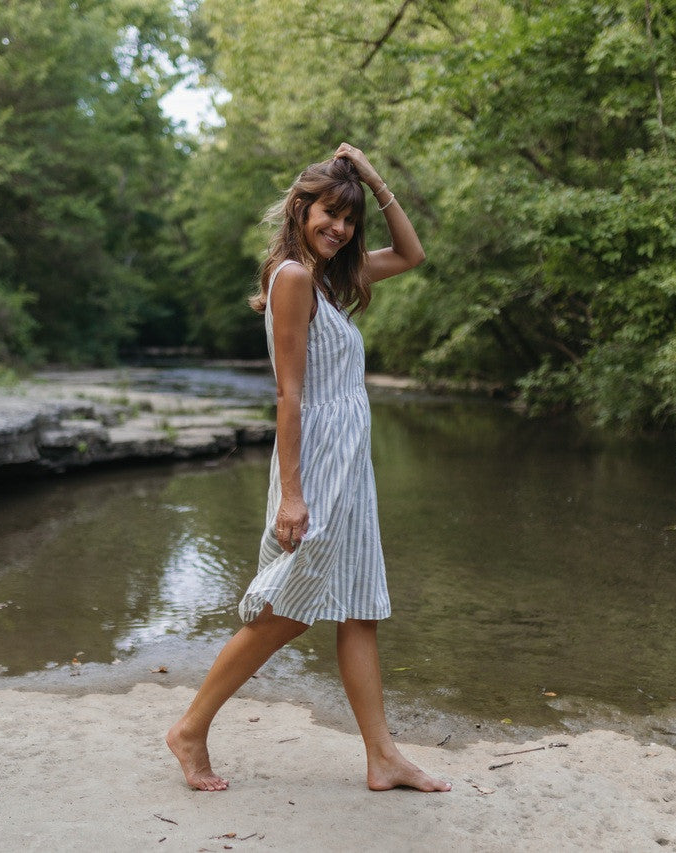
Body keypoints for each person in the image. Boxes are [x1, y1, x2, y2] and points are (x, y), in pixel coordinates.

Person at [167, 143, 451, 793]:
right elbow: (288, 394)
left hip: (351, 465)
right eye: (330, 212)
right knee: (287, 609)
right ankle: (189, 728)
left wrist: (376, 179)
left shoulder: (330, 279)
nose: (341, 228)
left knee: (358, 608)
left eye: (350, 219)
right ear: (302, 208)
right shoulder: (293, 278)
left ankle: (383, 757)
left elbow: (412, 255)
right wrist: (291, 494)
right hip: (317, 464)